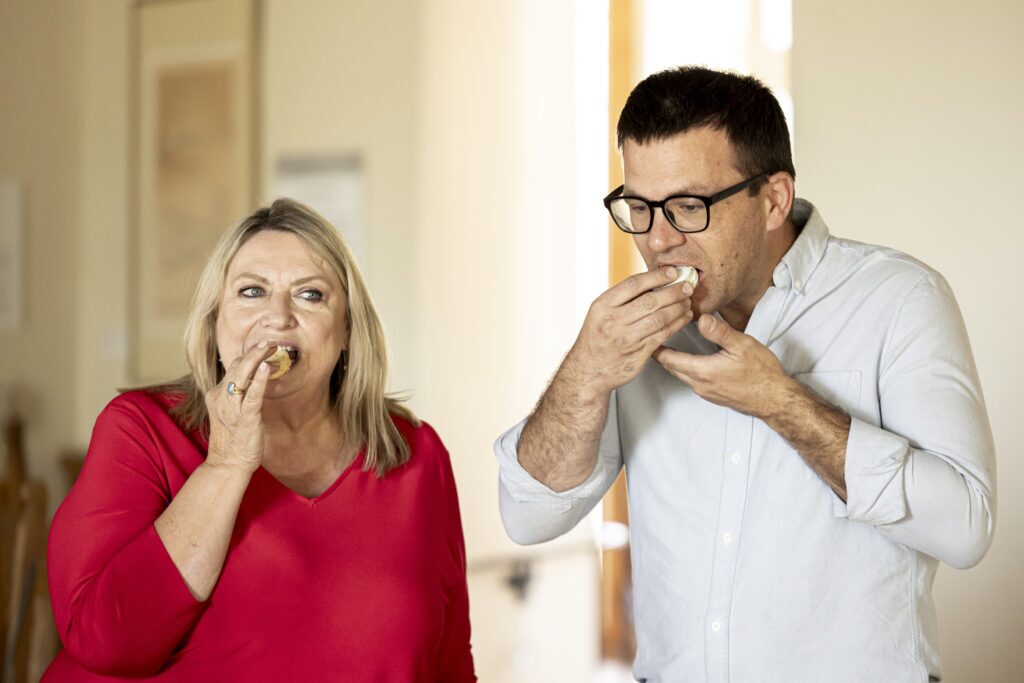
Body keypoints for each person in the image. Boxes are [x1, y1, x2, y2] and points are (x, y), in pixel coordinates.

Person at [494, 66, 995, 682]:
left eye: (687, 206)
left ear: (774, 199)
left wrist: (781, 401)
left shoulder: (900, 299)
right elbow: (529, 515)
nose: (658, 241)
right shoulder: (630, 335)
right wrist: (586, 370)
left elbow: (967, 526)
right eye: (639, 208)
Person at [45, 199, 476, 681]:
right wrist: (226, 463)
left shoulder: (415, 453)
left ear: (348, 331)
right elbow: (106, 643)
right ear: (214, 323)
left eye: (310, 295)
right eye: (252, 291)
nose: (278, 317)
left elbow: (450, 663)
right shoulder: (140, 430)